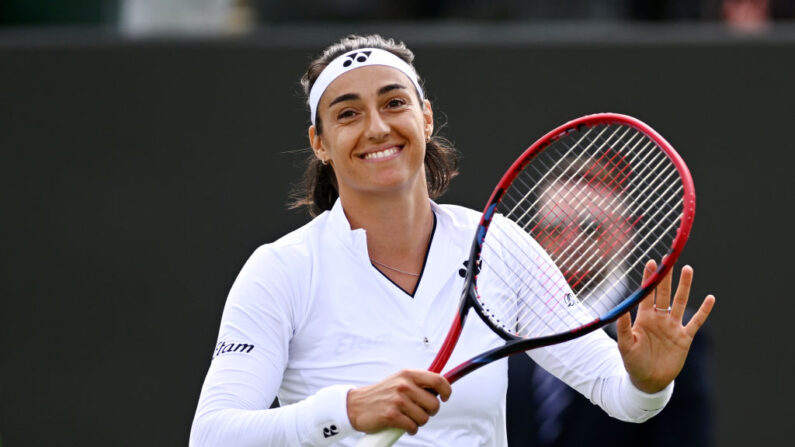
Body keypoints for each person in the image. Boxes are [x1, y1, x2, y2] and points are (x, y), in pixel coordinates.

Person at [189, 34, 716, 446]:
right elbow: (212, 436)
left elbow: (618, 393)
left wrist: (650, 383)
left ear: (425, 116)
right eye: (348, 113)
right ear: (320, 143)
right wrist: (347, 411)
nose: (376, 128)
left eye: (394, 103)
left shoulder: (500, 248)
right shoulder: (280, 271)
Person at [506, 155, 715, 446]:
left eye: (590, 228)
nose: (571, 242)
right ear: (537, 235)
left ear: (625, 229)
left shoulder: (671, 339)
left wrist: (650, 387)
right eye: (554, 229)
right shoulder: (506, 333)